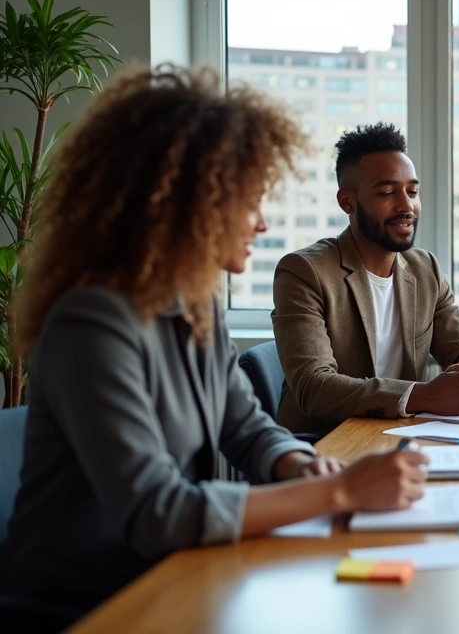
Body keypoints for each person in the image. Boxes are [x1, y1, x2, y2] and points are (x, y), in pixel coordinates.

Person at [0, 66, 429, 628]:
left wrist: (299, 463)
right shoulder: (92, 323)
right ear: (183, 205)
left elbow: (247, 429)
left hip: (175, 577)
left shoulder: (194, 305)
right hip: (85, 608)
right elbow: (159, 511)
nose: (262, 224)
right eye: (248, 203)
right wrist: (342, 491)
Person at [272, 122, 459, 436]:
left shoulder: (425, 269)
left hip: (399, 437)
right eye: (388, 192)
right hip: (324, 447)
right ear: (347, 202)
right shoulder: (304, 271)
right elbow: (315, 387)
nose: (407, 206)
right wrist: (427, 395)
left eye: (413, 192)